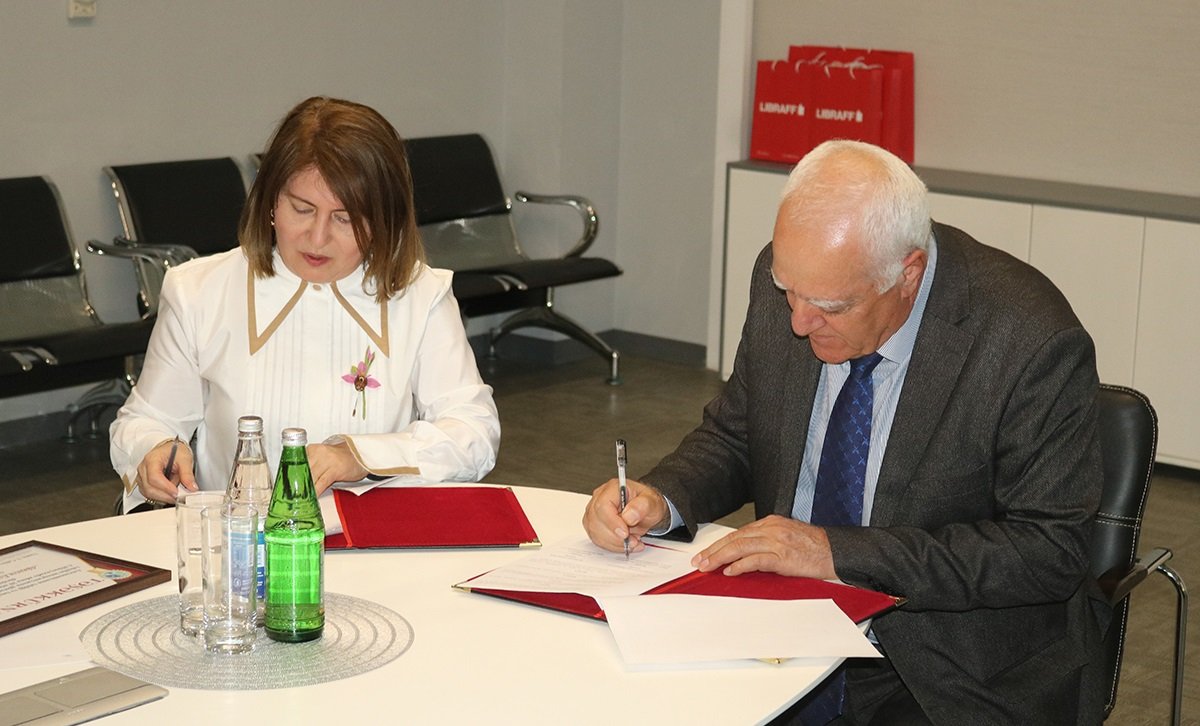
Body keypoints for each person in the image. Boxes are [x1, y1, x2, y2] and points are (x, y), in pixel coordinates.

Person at [583, 140, 1109, 724]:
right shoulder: (795, 279)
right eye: (789, 291)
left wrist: (837, 553)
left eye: (830, 306)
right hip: (779, 627)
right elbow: (739, 434)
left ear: (907, 274)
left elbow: (1048, 549)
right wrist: (663, 499)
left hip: (942, 663)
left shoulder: (1027, 339)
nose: (799, 321)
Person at [111, 96, 500, 513]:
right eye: (302, 209)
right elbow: (146, 420)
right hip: (239, 538)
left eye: (345, 218)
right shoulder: (199, 290)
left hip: (370, 537)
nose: (317, 238)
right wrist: (154, 448)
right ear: (271, 202)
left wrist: (359, 457)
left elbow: (474, 432)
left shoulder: (420, 295)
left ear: (384, 220)